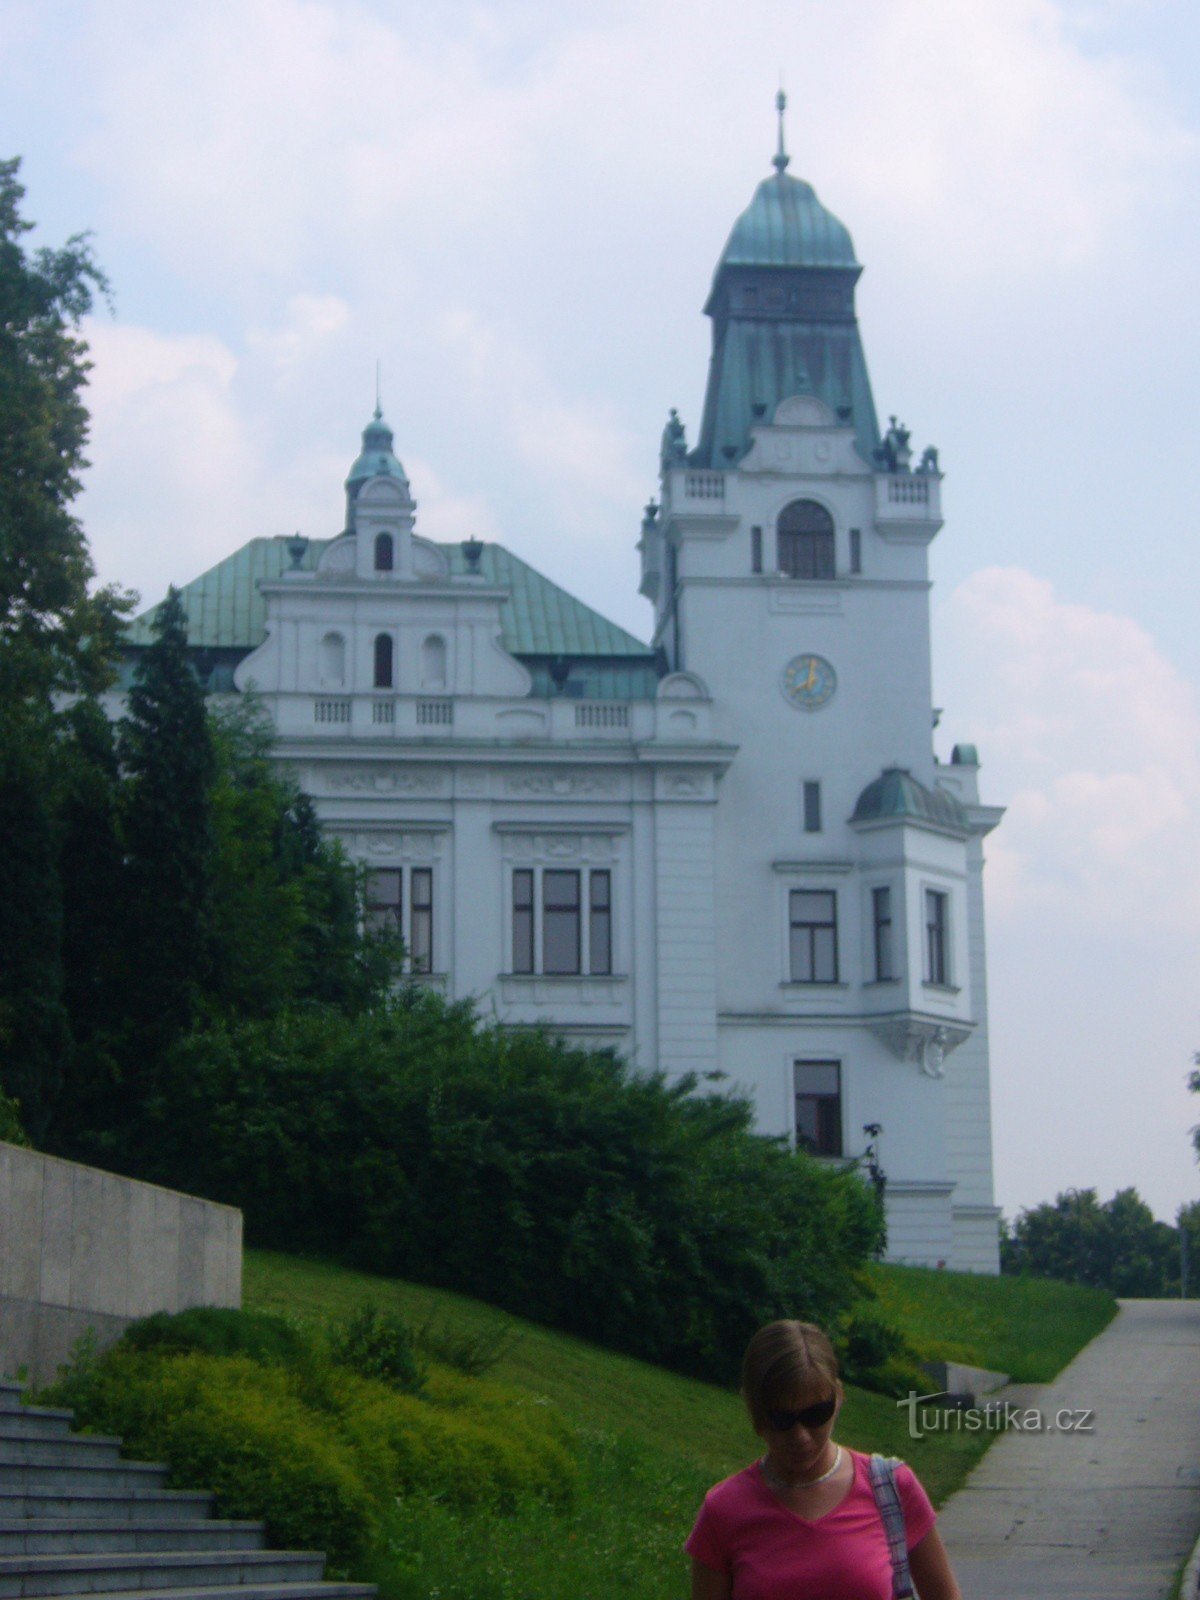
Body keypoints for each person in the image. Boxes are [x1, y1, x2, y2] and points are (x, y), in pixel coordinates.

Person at [686, 1320, 962, 1600]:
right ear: (755, 1410)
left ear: (839, 1397)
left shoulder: (892, 1489)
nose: (801, 1436)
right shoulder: (723, 1511)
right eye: (782, 1419)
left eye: (816, 1414)